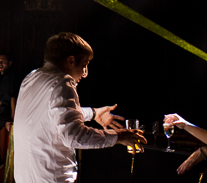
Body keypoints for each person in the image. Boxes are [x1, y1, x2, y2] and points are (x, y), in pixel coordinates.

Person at [12, 32, 146, 183]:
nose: (85, 73)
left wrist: (94, 114)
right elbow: (73, 135)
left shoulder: (31, 78)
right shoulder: (62, 82)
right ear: (70, 61)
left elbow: (51, 116)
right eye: (84, 65)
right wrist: (119, 136)